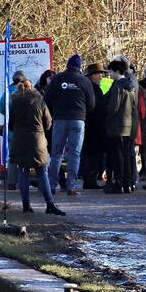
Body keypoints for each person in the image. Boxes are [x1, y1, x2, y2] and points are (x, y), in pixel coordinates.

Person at [9, 77, 65, 215]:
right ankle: (50, 205)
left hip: (20, 141)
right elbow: (48, 123)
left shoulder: (15, 102)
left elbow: (11, 125)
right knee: (42, 173)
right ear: (32, 88)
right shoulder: (40, 101)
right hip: (37, 141)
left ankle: (26, 205)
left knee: (23, 172)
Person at [43, 54, 97, 197]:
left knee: (56, 154)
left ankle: (52, 186)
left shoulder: (57, 79)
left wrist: (55, 111)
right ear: (79, 67)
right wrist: (82, 111)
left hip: (59, 119)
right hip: (78, 120)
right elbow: (92, 104)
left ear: (68, 65)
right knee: (75, 154)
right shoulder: (85, 81)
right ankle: (71, 187)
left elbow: (46, 99)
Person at [103, 59, 138, 194]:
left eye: (111, 72)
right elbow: (133, 106)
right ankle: (127, 183)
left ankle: (119, 184)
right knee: (126, 156)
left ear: (117, 71)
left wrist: (107, 120)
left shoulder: (118, 86)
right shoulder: (131, 86)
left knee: (118, 157)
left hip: (117, 126)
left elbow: (113, 107)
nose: (109, 74)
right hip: (128, 125)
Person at [80, 62, 108, 189]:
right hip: (92, 126)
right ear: (91, 75)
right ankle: (89, 179)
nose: (100, 76)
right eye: (98, 74)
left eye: (101, 74)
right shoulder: (91, 88)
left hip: (95, 126)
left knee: (93, 154)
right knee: (91, 154)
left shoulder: (95, 88)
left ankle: (91, 178)